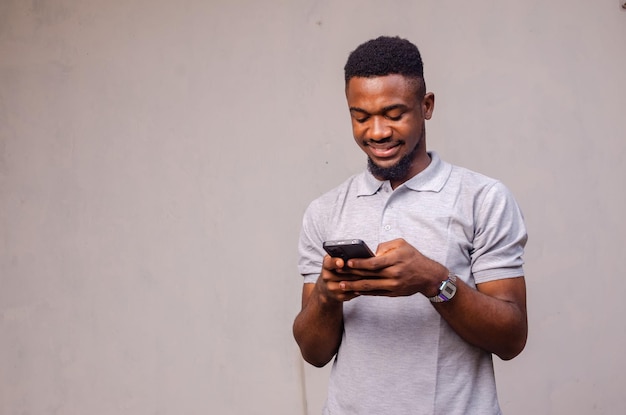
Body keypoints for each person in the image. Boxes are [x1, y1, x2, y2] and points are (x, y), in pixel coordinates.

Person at [292, 36, 528, 414]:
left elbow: (512, 338)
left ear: (427, 106)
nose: (377, 132)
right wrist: (326, 294)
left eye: (394, 113)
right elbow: (314, 353)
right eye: (361, 116)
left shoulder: (482, 198)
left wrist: (433, 281)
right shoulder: (324, 211)